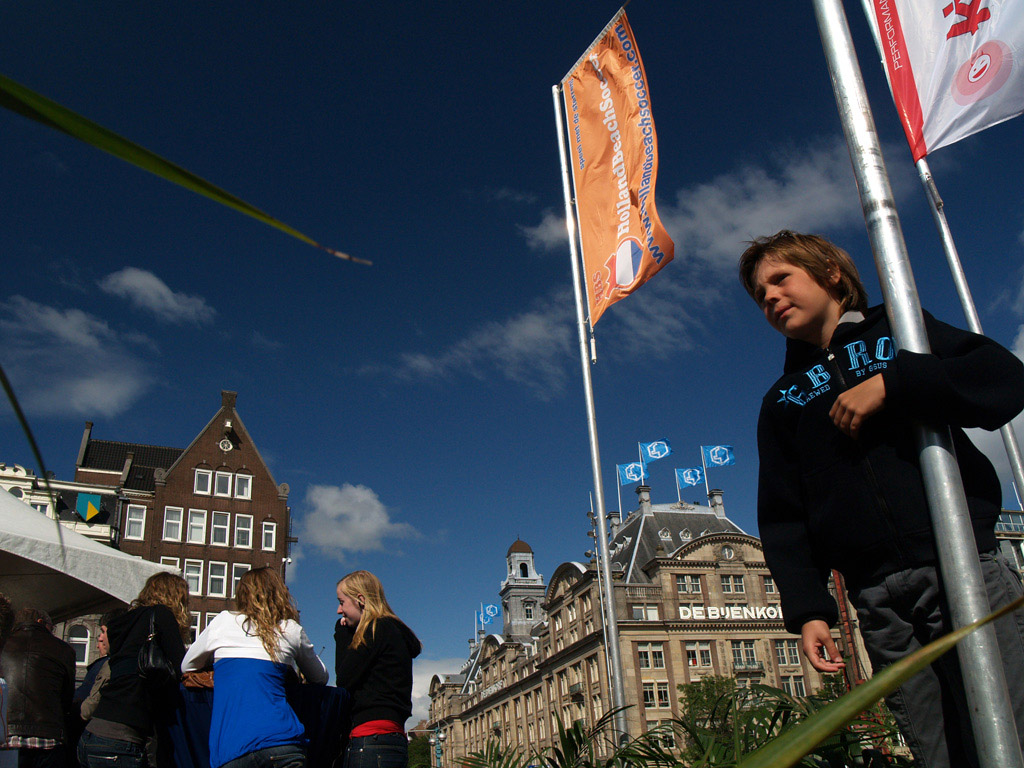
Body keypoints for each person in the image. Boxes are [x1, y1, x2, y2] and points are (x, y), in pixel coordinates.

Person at [739, 230, 1024, 767]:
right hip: (876, 601)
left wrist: (895, 383)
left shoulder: (903, 329)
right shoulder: (782, 399)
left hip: (961, 566)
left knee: (1010, 732)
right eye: (760, 295)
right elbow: (783, 515)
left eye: (781, 279)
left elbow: (1004, 380)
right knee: (936, 748)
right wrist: (808, 611)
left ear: (830, 275)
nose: (770, 297)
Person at [181, 567, 327, 768]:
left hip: (232, 750)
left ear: (241, 594)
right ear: (280, 594)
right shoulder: (291, 629)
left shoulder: (223, 622)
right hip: (283, 743)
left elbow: (186, 665)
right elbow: (320, 677)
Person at [78, 573, 189, 768]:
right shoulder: (162, 615)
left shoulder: (126, 623)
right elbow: (182, 667)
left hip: (92, 734)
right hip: (120, 740)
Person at [335, 571, 421, 768]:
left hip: (370, 738)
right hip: (394, 737)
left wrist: (342, 633)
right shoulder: (394, 632)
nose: (340, 610)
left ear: (360, 600)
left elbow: (344, 678)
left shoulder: (374, 630)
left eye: (342, 602)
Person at [1, 609, 76, 768]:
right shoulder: (63, 649)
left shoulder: (3, 644)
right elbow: (66, 697)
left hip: (8, 736)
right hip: (49, 738)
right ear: (41, 623)